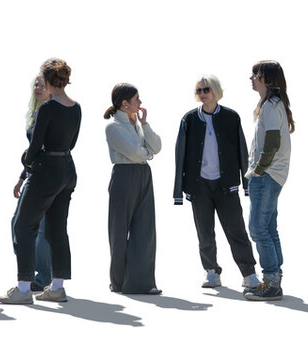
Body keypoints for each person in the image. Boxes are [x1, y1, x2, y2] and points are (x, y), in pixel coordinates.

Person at [0, 58, 80, 304]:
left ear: (48, 79)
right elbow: (72, 143)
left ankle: (24, 289)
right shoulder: (76, 107)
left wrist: (26, 161)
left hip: (46, 170)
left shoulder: (47, 108)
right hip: (67, 168)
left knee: (23, 226)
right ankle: (57, 287)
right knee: (57, 230)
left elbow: (35, 146)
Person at [173, 74, 260, 290]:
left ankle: (249, 273)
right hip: (199, 184)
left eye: (206, 89)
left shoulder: (231, 117)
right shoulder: (189, 119)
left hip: (226, 184)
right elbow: (180, 155)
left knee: (236, 230)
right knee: (204, 232)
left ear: (216, 91)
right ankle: (211, 271)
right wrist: (178, 189)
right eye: (199, 90)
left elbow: (242, 150)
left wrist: (246, 182)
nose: (202, 94)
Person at [104, 83, 162, 295]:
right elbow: (135, 153)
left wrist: (145, 125)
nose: (140, 102)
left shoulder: (137, 124)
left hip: (144, 175)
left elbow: (156, 147)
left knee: (145, 229)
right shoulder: (113, 127)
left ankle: (143, 282)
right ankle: (119, 282)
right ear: (124, 103)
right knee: (119, 230)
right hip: (124, 176)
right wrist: (146, 153)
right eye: (136, 99)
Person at [243, 60, 294, 301]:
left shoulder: (271, 106)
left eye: (256, 74)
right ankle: (274, 279)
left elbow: (272, 143)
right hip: (273, 175)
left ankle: (271, 283)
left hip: (267, 175)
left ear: (267, 79)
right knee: (269, 228)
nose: (251, 78)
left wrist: (259, 171)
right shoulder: (272, 104)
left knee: (258, 229)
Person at [11, 75, 53, 292]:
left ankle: (44, 276)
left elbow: (44, 150)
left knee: (42, 228)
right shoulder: (35, 114)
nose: (38, 88)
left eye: (43, 85)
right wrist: (22, 177)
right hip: (33, 174)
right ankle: (36, 271)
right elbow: (33, 151)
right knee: (17, 224)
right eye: (36, 84)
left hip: (47, 177)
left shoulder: (54, 113)